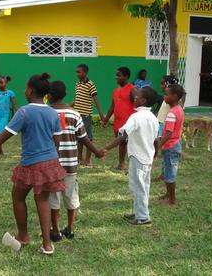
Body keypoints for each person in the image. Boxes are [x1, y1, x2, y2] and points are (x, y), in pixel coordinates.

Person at [0, 73, 66, 255]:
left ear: (30, 90)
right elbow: (57, 141)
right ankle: (47, 244)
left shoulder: (24, 112)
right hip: (50, 163)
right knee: (43, 199)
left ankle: (23, 236)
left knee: (17, 196)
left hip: (31, 164)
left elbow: (3, 136)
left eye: (25, 87)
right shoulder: (53, 113)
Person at [47, 81, 104, 241]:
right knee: (71, 195)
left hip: (52, 164)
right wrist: (97, 152)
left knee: (54, 198)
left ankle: (56, 231)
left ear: (49, 95)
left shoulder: (47, 113)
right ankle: (70, 229)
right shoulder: (74, 114)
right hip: (71, 163)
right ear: (65, 95)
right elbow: (84, 139)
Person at [103, 87, 159, 226]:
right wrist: (155, 154)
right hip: (147, 157)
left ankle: (143, 217)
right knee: (142, 186)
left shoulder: (136, 117)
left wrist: (106, 148)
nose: (134, 98)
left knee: (138, 187)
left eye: (137, 96)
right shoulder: (153, 118)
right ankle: (138, 212)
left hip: (138, 157)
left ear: (144, 100)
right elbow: (156, 140)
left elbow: (123, 136)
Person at [103, 67, 137, 170]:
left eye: (119, 75)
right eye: (116, 75)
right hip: (118, 122)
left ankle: (128, 164)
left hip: (129, 123)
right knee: (121, 143)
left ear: (126, 77)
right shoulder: (116, 91)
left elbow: (139, 104)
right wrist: (106, 119)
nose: (116, 77)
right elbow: (112, 106)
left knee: (126, 142)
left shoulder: (132, 89)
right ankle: (121, 163)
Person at [71, 64, 104, 166]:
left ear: (85, 72)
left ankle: (88, 160)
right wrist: (67, 106)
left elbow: (96, 101)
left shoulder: (90, 84)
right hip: (77, 115)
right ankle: (79, 158)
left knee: (88, 138)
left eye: (79, 72)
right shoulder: (77, 84)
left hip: (86, 115)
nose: (77, 74)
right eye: (77, 72)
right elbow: (76, 100)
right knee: (79, 138)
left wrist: (102, 116)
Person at [158, 84, 185, 205]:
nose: (165, 96)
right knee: (169, 170)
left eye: (167, 94)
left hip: (170, 146)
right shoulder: (179, 109)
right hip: (176, 144)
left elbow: (168, 133)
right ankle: (168, 194)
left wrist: (157, 147)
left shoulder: (171, 113)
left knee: (170, 173)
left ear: (174, 96)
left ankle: (172, 200)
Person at [153, 75, 179, 182]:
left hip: (165, 126)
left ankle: (164, 174)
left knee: (165, 150)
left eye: (162, 83)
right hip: (160, 125)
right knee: (164, 151)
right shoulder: (166, 98)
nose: (161, 86)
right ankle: (163, 173)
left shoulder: (170, 99)